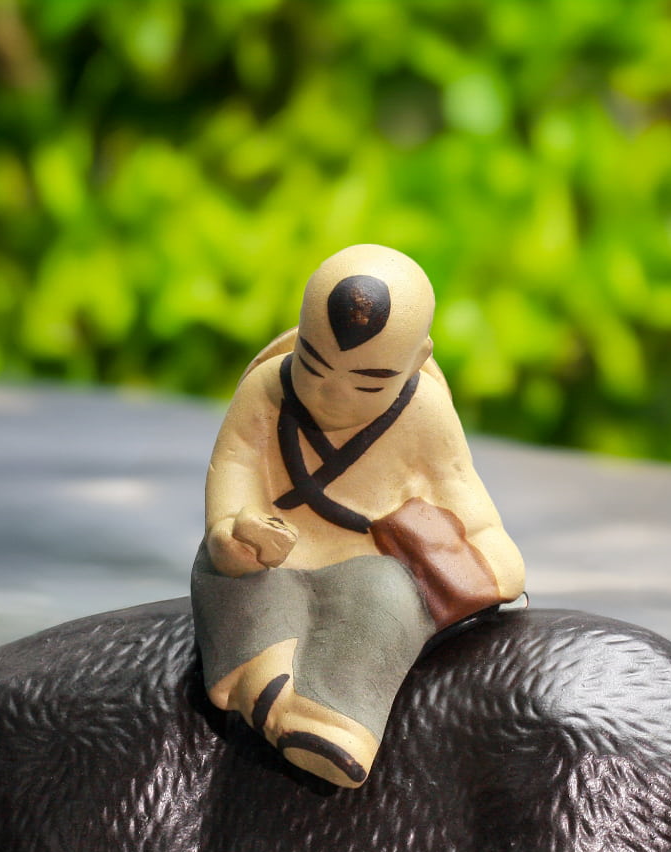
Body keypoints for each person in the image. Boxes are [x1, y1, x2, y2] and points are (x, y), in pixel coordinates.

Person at [192, 244, 525, 787]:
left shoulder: (424, 410)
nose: (334, 393)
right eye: (315, 366)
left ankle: (333, 721)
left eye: (366, 382)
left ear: (418, 361)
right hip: (276, 548)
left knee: (387, 596)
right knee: (242, 581)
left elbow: (459, 490)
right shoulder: (267, 389)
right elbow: (233, 468)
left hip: (365, 558)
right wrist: (236, 530)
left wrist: (489, 550)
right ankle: (266, 686)